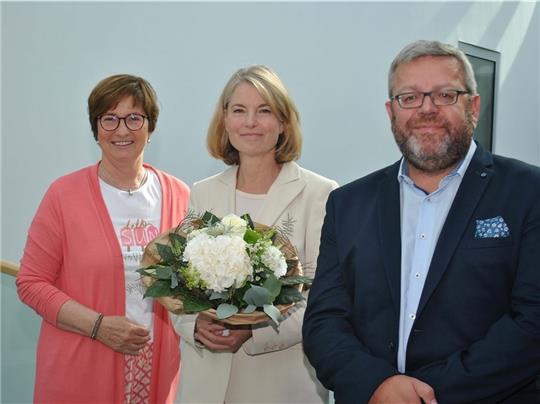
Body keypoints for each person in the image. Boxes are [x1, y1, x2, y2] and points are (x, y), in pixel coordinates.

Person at [303, 39, 540, 403]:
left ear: (473, 106)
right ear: (391, 111)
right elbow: (323, 323)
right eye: (409, 97)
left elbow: (532, 323)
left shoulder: (528, 193)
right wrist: (377, 385)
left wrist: (424, 395)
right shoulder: (347, 204)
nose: (426, 109)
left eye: (445, 95)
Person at [169, 65, 338, 403]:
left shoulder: (321, 194)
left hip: (280, 383)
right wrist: (194, 327)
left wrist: (253, 331)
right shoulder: (203, 193)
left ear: (283, 122)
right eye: (239, 110)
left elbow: (325, 299)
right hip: (207, 385)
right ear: (225, 120)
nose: (250, 122)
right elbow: (178, 284)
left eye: (264, 111)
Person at [17, 74, 190, 403]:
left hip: (156, 370)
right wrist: (98, 325)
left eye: (134, 118)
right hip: (79, 367)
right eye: (109, 119)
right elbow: (30, 282)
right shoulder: (63, 196)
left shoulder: (179, 195)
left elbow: (189, 284)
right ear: (95, 129)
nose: (122, 130)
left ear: (150, 128)